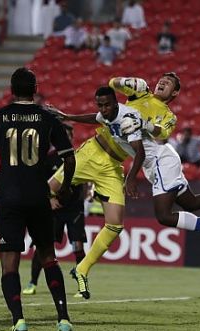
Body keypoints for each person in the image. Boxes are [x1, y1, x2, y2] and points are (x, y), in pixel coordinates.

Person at [0, 67, 76, 331]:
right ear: (34, 89)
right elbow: (69, 158)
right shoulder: (47, 118)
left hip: (9, 199)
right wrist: (65, 188)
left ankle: (19, 320)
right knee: (48, 257)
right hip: (39, 198)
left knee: (9, 266)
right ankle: (64, 319)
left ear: (11, 90)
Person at [110, 74, 200, 247]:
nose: (162, 82)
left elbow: (162, 133)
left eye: (168, 83)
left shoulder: (169, 116)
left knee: (164, 216)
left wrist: (143, 123)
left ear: (174, 93)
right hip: (151, 165)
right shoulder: (140, 93)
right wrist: (124, 81)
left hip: (161, 160)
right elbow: (112, 84)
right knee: (191, 203)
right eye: (161, 80)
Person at [51, 86, 146, 300]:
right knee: (47, 190)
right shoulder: (105, 113)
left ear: (116, 103)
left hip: (112, 168)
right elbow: (95, 118)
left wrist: (131, 178)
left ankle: (82, 269)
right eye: (100, 105)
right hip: (90, 154)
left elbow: (140, 152)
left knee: (115, 224)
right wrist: (69, 117)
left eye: (106, 105)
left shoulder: (127, 118)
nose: (103, 109)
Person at [22, 123, 87, 296]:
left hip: (74, 209)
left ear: (72, 138)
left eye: (67, 136)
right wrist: (50, 199)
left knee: (78, 246)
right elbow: (39, 182)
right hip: (53, 210)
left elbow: (87, 177)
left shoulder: (78, 157)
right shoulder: (47, 158)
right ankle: (32, 282)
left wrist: (87, 194)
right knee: (43, 246)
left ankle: (82, 286)